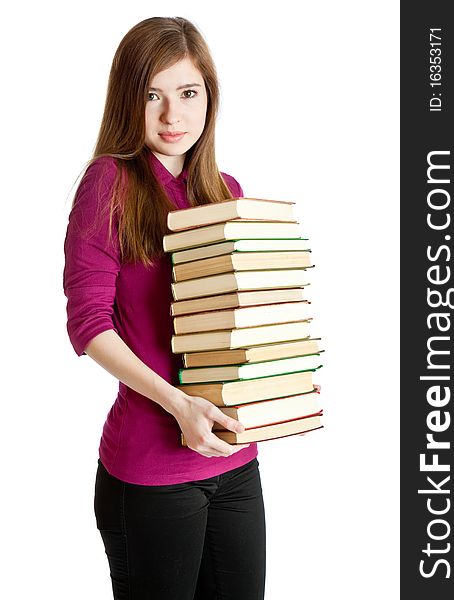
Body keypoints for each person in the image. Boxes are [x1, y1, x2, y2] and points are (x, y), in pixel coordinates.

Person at [62, 16, 266, 600]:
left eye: (188, 93)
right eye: (153, 95)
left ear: (209, 98)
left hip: (235, 459)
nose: (172, 115)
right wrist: (179, 405)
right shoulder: (110, 184)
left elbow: (239, 323)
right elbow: (88, 324)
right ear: (129, 99)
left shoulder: (226, 192)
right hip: (151, 470)